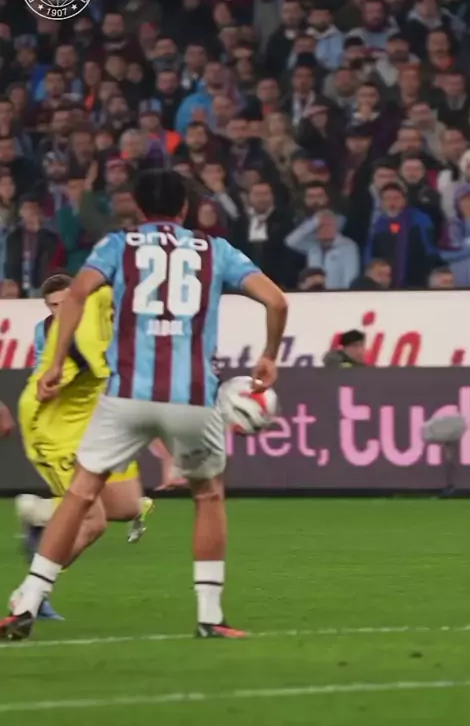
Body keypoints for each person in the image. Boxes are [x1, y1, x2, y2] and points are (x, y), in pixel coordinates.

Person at [0, 171, 287, 641]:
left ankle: (28, 601)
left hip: (126, 394)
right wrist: (269, 355)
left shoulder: (119, 245)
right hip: (191, 396)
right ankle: (210, 617)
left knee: (81, 493)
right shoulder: (215, 250)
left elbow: (76, 295)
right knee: (208, 496)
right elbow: (276, 301)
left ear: (136, 206)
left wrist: (53, 362)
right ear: (185, 209)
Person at [9, 272, 154, 619]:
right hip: (53, 428)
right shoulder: (66, 337)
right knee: (92, 521)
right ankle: (28, 595)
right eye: (54, 305)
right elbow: (48, 381)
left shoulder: (112, 315)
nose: (60, 311)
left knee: (128, 506)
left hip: (93, 422)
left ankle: (43, 515)